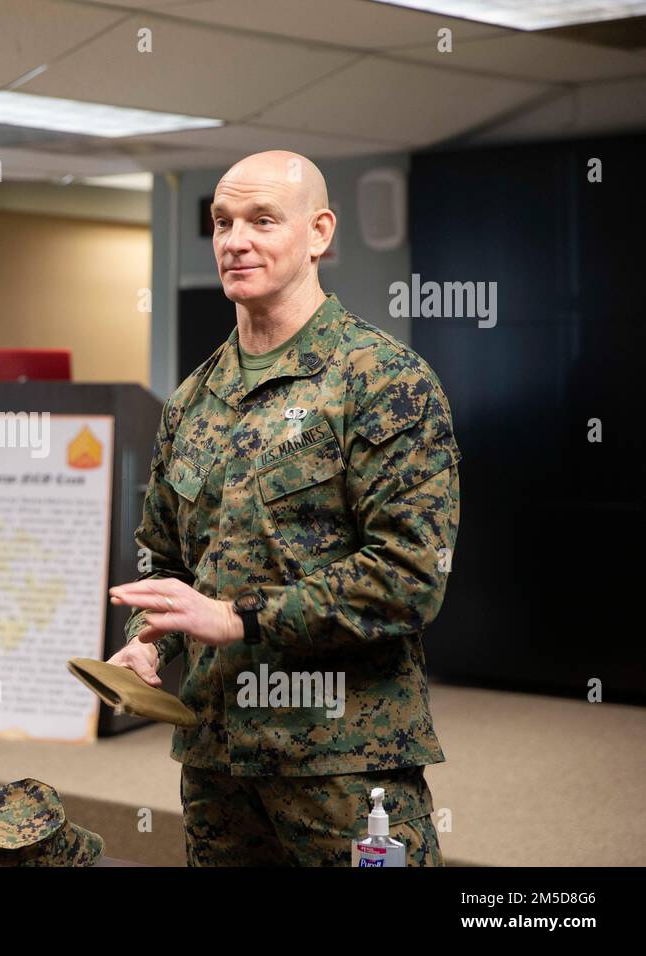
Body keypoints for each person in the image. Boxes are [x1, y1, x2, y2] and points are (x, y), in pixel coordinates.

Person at [106, 150, 460, 866]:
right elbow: (176, 565)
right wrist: (150, 642)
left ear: (319, 233)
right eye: (223, 222)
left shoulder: (383, 382)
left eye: (263, 220)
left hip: (341, 757)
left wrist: (238, 618)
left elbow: (409, 577)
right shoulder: (192, 399)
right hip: (218, 758)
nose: (236, 240)